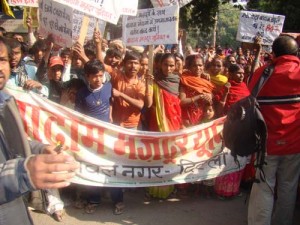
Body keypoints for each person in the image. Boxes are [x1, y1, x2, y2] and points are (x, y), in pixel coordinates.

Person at [0, 36, 79, 225]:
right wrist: (22, 173)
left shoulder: (5, 101)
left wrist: (40, 149)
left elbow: (9, 145)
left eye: (1, 59)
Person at [247, 35, 300, 225]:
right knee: (288, 187)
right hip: (295, 144)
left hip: (266, 144)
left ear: (274, 53)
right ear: (296, 53)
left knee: (264, 187)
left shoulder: (262, 73)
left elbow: (249, 96)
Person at [75, 59, 124, 215]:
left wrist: (109, 114)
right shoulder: (82, 94)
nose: (98, 79)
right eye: (94, 76)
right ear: (87, 77)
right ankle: (94, 199)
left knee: (111, 169)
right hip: (90, 139)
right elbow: (77, 115)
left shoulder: (109, 88)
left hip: (108, 138)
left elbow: (111, 103)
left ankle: (118, 199)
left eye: (101, 75)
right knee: (93, 169)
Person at [179, 54, 214, 127]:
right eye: (194, 65)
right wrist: (199, 96)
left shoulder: (205, 80)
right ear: (189, 67)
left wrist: (209, 98)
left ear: (203, 66)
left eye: (200, 65)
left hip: (203, 117)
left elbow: (210, 99)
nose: (198, 68)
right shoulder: (185, 80)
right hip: (187, 118)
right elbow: (182, 101)